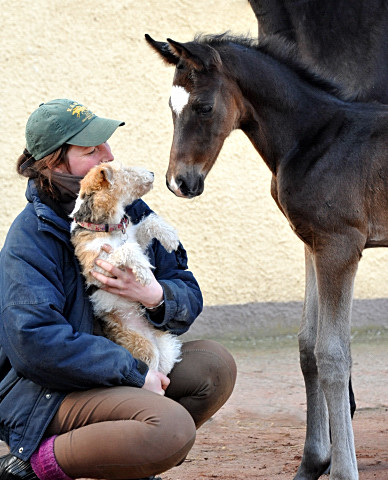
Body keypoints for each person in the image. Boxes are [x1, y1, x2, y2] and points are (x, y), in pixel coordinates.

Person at [0, 99, 237, 480]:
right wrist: (131, 372)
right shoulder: (31, 236)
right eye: (91, 150)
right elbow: (34, 344)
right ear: (55, 164)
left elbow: (187, 290)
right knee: (170, 429)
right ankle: (35, 463)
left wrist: (154, 296)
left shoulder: (131, 210)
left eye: (105, 144)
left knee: (214, 365)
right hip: (49, 393)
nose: (108, 155)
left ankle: (129, 458)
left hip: (121, 361)